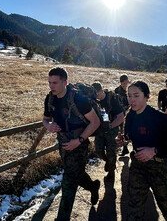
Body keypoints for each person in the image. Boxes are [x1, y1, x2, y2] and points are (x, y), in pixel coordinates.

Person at [116, 81, 167, 220]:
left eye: (136, 95)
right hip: (138, 167)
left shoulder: (160, 118)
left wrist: (154, 150)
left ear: (147, 96)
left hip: (160, 168)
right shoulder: (130, 116)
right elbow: (130, 136)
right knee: (134, 207)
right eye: (129, 96)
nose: (132, 100)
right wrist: (123, 140)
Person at [43, 67, 101, 220]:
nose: (51, 86)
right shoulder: (50, 98)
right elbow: (45, 118)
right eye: (49, 83)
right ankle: (93, 186)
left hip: (79, 144)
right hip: (63, 144)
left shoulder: (78, 100)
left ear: (65, 82)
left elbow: (95, 122)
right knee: (75, 174)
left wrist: (80, 140)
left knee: (68, 181)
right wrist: (48, 125)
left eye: (55, 83)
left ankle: (62, 217)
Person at [91, 82, 125, 179]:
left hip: (112, 129)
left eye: (97, 94)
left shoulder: (112, 99)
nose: (96, 96)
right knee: (98, 151)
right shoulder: (94, 100)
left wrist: (110, 126)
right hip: (100, 129)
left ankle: (111, 171)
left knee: (111, 152)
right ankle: (108, 162)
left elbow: (121, 117)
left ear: (102, 91)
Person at [114, 74, 130, 156]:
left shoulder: (130, 90)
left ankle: (127, 147)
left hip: (129, 113)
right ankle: (124, 148)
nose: (124, 84)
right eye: (122, 83)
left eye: (125, 82)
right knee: (121, 130)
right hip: (120, 114)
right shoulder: (117, 90)